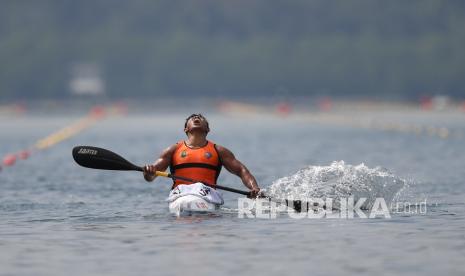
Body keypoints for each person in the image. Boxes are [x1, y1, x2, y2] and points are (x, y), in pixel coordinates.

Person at [143, 113, 261, 198]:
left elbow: (242, 171)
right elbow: (151, 177)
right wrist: (149, 172)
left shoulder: (219, 151)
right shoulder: (173, 150)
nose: (196, 118)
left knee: (200, 187)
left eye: (200, 118)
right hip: (180, 194)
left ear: (208, 129)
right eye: (192, 118)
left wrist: (254, 188)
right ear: (186, 129)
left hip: (207, 194)